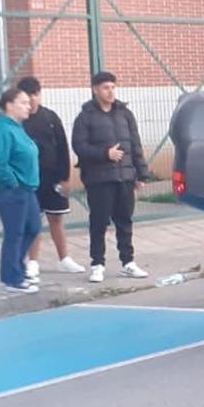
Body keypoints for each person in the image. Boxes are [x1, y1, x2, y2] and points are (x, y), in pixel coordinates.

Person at [71, 71, 150, 283]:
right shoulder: (85, 117)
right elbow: (79, 146)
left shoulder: (125, 114)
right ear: (96, 90)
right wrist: (105, 154)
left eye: (113, 87)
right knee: (99, 223)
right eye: (106, 87)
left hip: (124, 177)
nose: (110, 91)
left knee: (124, 221)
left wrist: (141, 173)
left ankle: (128, 262)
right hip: (99, 179)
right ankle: (97, 264)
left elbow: (135, 144)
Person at [17, 76, 85, 279]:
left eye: (34, 96)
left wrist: (65, 178)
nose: (31, 102)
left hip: (53, 178)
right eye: (26, 98)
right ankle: (33, 261)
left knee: (56, 218)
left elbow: (63, 147)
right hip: (29, 180)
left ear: (39, 95)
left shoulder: (51, 118)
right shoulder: (17, 121)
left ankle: (64, 259)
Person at [0, 87, 42, 293]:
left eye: (29, 102)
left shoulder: (17, 127)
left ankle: (17, 267)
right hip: (9, 189)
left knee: (33, 228)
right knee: (15, 232)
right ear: (10, 105)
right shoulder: (1, 129)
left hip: (27, 188)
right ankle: (12, 278)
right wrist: (13, 182)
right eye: (24, 102)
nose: (29, 106)